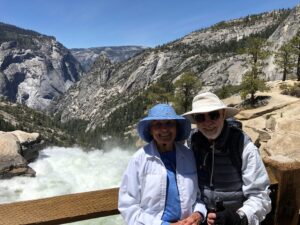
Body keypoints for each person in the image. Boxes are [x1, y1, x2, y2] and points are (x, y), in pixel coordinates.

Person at [183, 92, 271, 225]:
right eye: (200, 117)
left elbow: (260, 196)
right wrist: (198, 212)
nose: (207, 122)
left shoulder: (243, 146)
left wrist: (239, 217)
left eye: (213, 115)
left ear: (223, 114)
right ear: (195, 121)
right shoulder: (191, 145)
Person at [118, 103, 207, 225]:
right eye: (158, 124)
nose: (164, 129)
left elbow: (199, 196)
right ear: (151, 130)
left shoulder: (188, 155)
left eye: (169, 123)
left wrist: (198, 214)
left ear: (176, 128)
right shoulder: (139, 160)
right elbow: (128, 205)